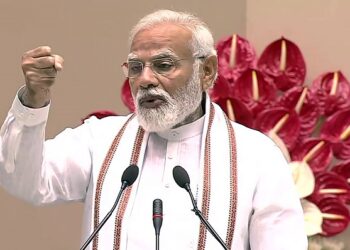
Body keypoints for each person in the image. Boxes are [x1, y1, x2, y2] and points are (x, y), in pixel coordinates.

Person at [0, 9, 307, 250]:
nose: (145, 79)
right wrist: (33, 100)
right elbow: (24, 180)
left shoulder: (257, 156)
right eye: (135, 67)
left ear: (207, 71)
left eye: (163, 65)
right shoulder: (100, 140)